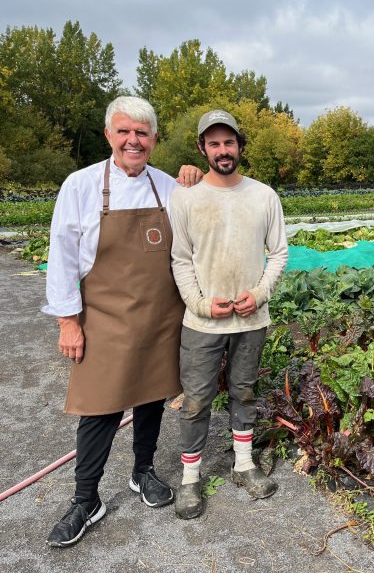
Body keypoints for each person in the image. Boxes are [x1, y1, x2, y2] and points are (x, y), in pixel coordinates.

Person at [43, 96, 201, 547]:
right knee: (100, 408)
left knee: (151, 398)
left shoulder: (168, 187)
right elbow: (62, 259)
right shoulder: (81, 185)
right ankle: (85, 499)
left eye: (143, 133)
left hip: (159, 317)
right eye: (124, 131)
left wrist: (196, 177)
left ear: (153, 139)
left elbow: (205, 212)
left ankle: (143, 471)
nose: (134, 140)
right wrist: (67, 323)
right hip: (105, 319)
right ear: (109, 136)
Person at [169, 109, 288, 519]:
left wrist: (259, 293)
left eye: (230, 142)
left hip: (251, 319)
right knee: (197, 399)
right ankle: (190, 479)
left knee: (244, 391)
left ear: (240, 146)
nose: (223, 150)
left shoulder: (263, 195)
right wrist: (201, 303)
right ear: (202, 148)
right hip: (202, 321)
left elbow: (279, 253)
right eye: (214, 143)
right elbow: (180, 260)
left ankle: (243, 465)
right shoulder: (185, 196)